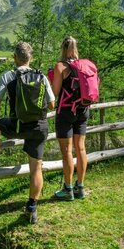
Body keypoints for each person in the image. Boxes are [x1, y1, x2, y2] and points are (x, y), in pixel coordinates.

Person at [0, 42, 55, 223]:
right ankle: (32, 207)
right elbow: (52, 104)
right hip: (38, 127)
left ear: (15, 57)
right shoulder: (41, 76)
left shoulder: (8, 76)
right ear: (31, 58)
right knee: (36, 168)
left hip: (17, 126)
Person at [52, 36, 90, 201]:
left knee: (67, 151)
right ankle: (80, 187)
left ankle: (68, 189)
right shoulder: (84, 65)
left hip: (66, 112)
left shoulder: (61, 66)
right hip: (83, 110)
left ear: (63, 48)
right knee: (80, 148)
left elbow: (55, 92)